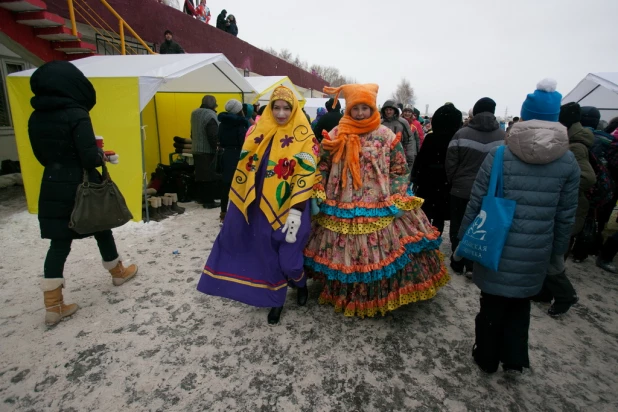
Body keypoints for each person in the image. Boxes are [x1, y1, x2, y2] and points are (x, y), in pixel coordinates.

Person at [461, 79, 579, 374]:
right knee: (520, 306)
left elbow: (477, 202)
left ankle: (486, 357)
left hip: (495, 243)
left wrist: (464, 240)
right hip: (536, 249)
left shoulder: (500, 154)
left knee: (491, 304)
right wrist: (557, 253)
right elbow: (566, 215)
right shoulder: (567, 161)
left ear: (524, 116)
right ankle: (514, 359)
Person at [304, 83, 449, 318]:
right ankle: (346, 291)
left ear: (374, 109)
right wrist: (318, 187)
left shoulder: (386, 135)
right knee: (344, 252)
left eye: (365, 108)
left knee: (380, 252)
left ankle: (375, 294)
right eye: (355, 108)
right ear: (348, 109)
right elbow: (322, 164)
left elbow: (399, 168)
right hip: (340, 203)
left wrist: (396, 194)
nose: (360, 113)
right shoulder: (335, 134)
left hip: (379, 203)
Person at [197, 86, 320, 324]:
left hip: (293, 207)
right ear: (269, 108)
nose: (281, 113)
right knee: (267, 255)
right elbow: (246, 166)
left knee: (289, 259)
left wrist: (297, 210)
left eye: (286, 108)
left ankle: (300, 281)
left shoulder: (305, 136)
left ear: (294, 108)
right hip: (260, 206)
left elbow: (306, 174)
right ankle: (276, 299)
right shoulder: (257, 131)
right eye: (276, 107)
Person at [28, 61, 138, 326]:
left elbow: (42, 155)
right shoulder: (76, 113)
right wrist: (102, 154)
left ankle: (53, 306)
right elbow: (88, 156)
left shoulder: (36, 116)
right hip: (81, 183)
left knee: (59, 242)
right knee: (102, 225)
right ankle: (118, 272)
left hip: (53, 182)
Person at [446, 97, 505, 275]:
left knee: (458, 224)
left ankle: (458, 261)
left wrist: (455, 180)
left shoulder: (461, 134)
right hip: (489, 191)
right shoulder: (503, 137)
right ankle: (473, 265)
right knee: (480, 227)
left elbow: (450, 163)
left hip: (461, 188)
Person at [411, 103, 462, 234]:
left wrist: (415, 178)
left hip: (428, 181)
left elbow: (420, 160)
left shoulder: (431, 138)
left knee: (426, 213)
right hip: (446, 181)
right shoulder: (456, 140)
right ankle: (436, 239)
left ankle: (426, 239)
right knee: (439, 214)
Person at [217, 99, 249, 223]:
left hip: (225, 155)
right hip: (237, 156)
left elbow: (219, 138)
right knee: (239, 185)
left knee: (225, 186)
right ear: (238, 110)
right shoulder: (240, 124)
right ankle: (238, 215)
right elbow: (244, 142)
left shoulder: (222, 123)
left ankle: (223, 213)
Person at [191, 95, 221, 209]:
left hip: (196, 148)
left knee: (199, 175)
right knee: (209, 176)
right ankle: (208, 201)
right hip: (206, 150)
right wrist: (216, 148)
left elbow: (192, 131)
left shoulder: (194, 113)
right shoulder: (211, 115)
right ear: (213, 104)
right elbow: (212, 135)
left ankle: (200, 198)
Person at [381, 100, 417, 172]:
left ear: (394, 110)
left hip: (400, 153)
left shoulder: (402, 122)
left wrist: (410, 154)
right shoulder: (381, 123)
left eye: (390, 110)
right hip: (384, 154)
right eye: (386, 110)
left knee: (399, 174)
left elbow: (410, 138)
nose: (388, 112)